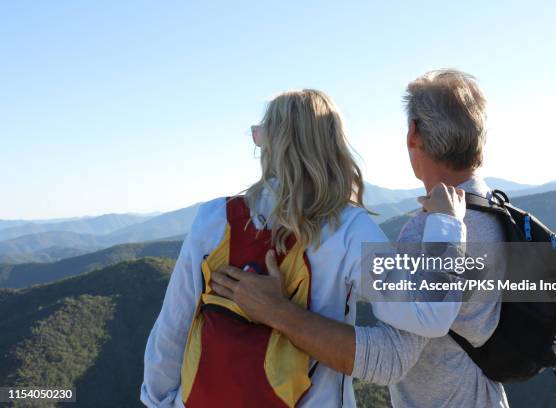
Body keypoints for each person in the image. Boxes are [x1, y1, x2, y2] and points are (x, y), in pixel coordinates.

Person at [140, 88, 467, 408]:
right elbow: (429, 314)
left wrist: (159, 401)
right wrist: (447, 224)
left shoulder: (213, 219)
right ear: (333, 147)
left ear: (272, 146)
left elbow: (172, 330)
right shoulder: (348, 229)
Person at [213, 70, 510, 407]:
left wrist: (278, 313)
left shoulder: (431, 231)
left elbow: (391, 358)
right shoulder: (503, 218)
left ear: (413, 133)